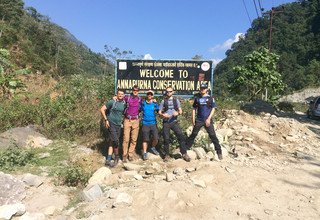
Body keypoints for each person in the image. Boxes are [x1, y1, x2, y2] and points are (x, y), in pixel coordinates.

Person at [187, 82, 223, 160]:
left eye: (204, 88)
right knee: (193, 134)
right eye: (201, 88)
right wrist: (193, 119)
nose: (202, 90)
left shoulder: (210, 98)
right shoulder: (197, 98)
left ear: (206, 89)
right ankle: (186, 149)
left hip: (208, 120)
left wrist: (209, 118)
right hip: (199, 120)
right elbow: (194, 109)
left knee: (213, 135)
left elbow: (213, 108)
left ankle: (219, 152)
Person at [159, 86, 191, 162]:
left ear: (173, 92)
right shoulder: (163, 101)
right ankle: (167, 155)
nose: (168, 93)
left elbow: (180, 111)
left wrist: (177, 113)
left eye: (170, 91)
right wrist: (163, 115)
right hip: (166, 122)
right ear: (166, 92)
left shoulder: (176, 100)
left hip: (174, 122)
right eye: (167, 91)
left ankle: (184, 153)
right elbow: (159, 112)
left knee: (181, 136)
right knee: (166, 139)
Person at [100, 89, 126, 167]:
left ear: (124, 95)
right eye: (119, 94)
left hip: (119, 125)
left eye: (122, 94)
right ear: (117, 94)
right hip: (111, 123)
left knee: (112, 141)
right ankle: (117, 157)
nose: (120, 95)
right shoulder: (112, 102)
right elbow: (102, 109)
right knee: (115, 141)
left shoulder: (124, 103)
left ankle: (108, 158)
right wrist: (106, 120)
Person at [122, 85, 142, 162]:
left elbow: (143, 107)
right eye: (134, 90)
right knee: (126, 139)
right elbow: (120, 98)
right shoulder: (127, 97)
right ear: (132, 90)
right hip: (127, 120)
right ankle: (124, 155)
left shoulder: (140, 99)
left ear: (138, 91)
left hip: (136, 120)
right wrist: (115, 98)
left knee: (134, 139)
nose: (135, 91)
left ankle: (130, 154)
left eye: (137, 90)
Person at [140, 90, 160, 160]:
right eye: (148, 94)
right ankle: (145, 153)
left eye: (151, 94)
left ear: (153, 96)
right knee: (145, 139)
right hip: (145, 123)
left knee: (156, 138)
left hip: (153, 123)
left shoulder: (155, 104)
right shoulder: (143, 103)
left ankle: (153, 147)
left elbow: (159, 111)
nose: (149, 95)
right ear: (146, 95)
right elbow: (138, 110)